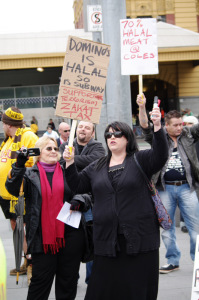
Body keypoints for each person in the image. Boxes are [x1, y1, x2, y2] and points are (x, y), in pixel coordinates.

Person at [63, 112, 168, 300]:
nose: (112, 137)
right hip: (107, 239)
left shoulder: (140, 160)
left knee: (137, 289)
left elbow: (161, 155)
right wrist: (70, 163)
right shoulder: (97, 165)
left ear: (127, 138)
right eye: (108, 134)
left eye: (117, 134)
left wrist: (157, 126)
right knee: (103, 289)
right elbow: (77, 185)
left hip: (139, 237)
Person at [5, 136, 91, 300]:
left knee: (68, 282)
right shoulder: (29, 174)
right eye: (48, 148)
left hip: (71, 235)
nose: (53, 151)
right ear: (38, 153)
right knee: (39, 283)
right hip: (41, 237)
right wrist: (19, 165)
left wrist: (79, 200)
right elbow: (12, 189)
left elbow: (86, 192)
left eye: (55, 148)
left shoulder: (69, 169)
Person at [137, 94, 199, 274]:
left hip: (187, 187)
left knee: (195, 228)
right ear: (166, 125)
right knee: (167, 228)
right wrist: (142, 108)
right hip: (164, 189)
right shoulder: (158, 137)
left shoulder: (188, 134)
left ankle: (197, 261)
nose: (180, 128)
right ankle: (173, 260)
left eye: (181, 124)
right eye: (176, 125)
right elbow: (144, 126)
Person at [60, 120, 106, 284]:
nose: (83, 129)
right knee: (69, 239)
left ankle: (91, 280)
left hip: (89, 202)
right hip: (68, 202)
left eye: (87, 128)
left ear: (92, 133)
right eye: (80, 126)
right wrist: (68, 158)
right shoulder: (66, 144)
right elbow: (60, 162)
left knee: (92, 240)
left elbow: (96, 160)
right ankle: (71, 276)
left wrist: (70, 159)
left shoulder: (98, 147)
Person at [0, 107, 38, 280]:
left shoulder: (28, 136)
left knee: (24, 227)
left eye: (3, 122)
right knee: (16, 227)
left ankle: (31, 261)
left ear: (8, 124)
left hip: (20, 193)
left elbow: (37, 160)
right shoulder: (9, 139)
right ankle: (26, 259)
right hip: (7, 195)